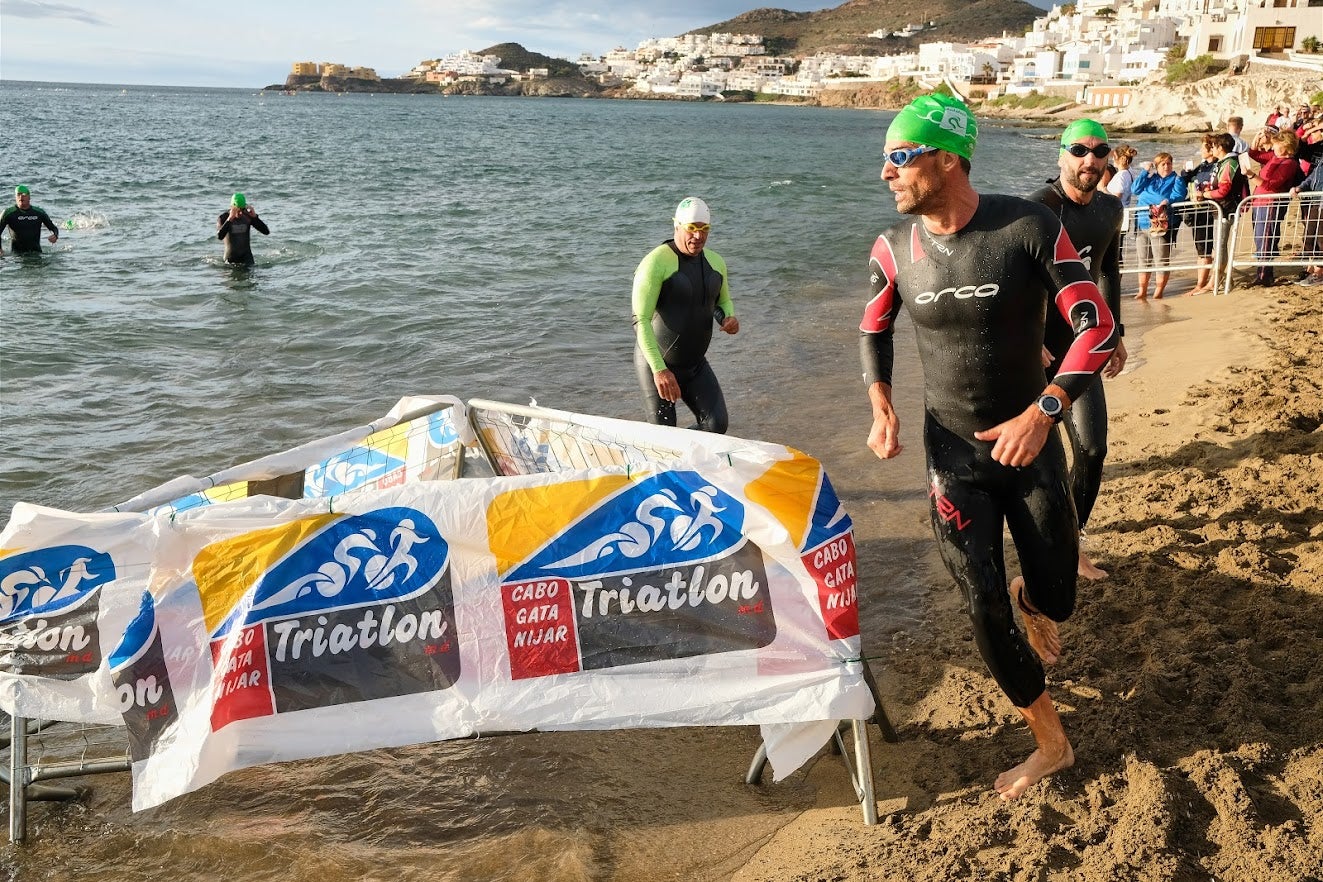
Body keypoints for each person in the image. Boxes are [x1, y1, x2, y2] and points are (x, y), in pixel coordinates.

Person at [861, 94, 1117, 801]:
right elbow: (872, 328)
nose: (885, 172)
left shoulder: (1025, 226)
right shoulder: (892, 249)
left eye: (898, 156)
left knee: (1057, 599)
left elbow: (1091, 330)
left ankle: (1029, 596)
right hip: (953, 459)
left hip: (1031, 445)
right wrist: (879, 400)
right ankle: (1051, 742)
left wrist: (1044, 411)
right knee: (978, 600)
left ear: (947, 158)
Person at [1029, 119, 1127, 582]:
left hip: (1079, 348)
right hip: (1029, 355)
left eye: (1100, 150)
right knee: (1029, 464)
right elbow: (1012, 285)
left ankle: (1070, 546)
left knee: (1090, 450)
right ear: (1061, 156)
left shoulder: (1111, 209)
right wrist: (1028, 340)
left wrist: (1115, 333)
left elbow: (1108, 270)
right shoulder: (1035, 210)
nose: (1090, 159)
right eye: (1079, 150)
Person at [632, 197, 739, 433]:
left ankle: (683, 457)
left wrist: (727, 318)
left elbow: (721, 301)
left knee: (716, 425)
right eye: (692, 228)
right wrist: (660, 370)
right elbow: (640, 321)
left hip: (695, 365)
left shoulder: (716, 262)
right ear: (677, 226)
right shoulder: (655, 262)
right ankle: (656, 454)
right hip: (656, 364)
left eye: (704, 229)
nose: (698, 236)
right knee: (665, 435)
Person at [1245, 128, 1303, 286]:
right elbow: (1254, 153)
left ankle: (1264, 275)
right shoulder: (1276, 158)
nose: (1273, 146)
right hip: (1260, 202)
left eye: (1276, 144)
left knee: (1266, 238)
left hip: (1270, 203)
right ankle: (1262, 273)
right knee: (1260, 239)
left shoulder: (1289, 163)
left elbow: (1273, 184)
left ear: (1284, 146)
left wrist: (1251, 175)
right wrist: (1256, 139)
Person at [1130, 153, 1187, 300]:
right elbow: (1135, 190)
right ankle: (1142, 291)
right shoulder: (1150, 179)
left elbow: (1179, 195)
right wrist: (1145, 172)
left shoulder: (1176, 179)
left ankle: (1158, 291)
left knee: (1160, 260)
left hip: (1161, 223)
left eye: (1168, 163)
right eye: (1163, 164)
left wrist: (1166, 201)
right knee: (1143, 259)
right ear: (1156, 166)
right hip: (1142, 222)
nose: (1166, 166)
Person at [1180, 134, 1222, 295]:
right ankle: (1202, 283)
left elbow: (1213, 185)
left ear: (1211, 149)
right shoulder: (1203, 165)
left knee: (1205, 248)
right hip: (1198, 210)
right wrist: (1186, 171)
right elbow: (1188, 180)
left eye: (1203, 147)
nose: (1200, 150)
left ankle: (1202, 284)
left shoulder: (1216, 166)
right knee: (1201, 248)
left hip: (1208, 211)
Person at [0, 185, 60, 255]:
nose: (21, 197)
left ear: (29, 197)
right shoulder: (8, 213)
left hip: (36, 253)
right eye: (18, 194)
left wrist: (55, 235)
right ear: (15, 197)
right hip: (17, 256)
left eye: (24, 194)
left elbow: (53, 228)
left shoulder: (39, 212)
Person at [216, 192, 269, 264]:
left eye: (242, 209)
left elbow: (266, 231)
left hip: (247, 258)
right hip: (230, 260)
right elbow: (219, 236)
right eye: (238, 210)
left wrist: (255, 217)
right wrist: (230, 219)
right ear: (232, 207)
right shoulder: (223, 218)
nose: (241, 213)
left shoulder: (248, 217)